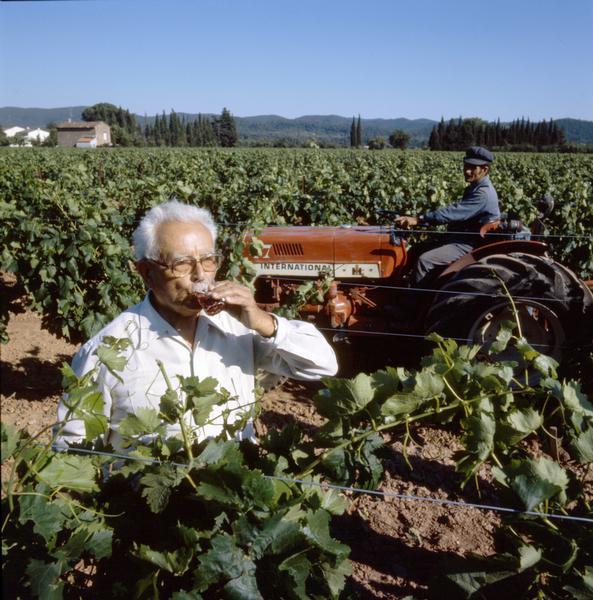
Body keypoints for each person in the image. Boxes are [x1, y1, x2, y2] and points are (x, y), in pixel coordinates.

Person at [56, 199, 338, 450]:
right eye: (181, 264)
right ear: (146, 272)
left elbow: (323, 365)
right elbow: (74, 451)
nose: (201, 274)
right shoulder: (107, 351)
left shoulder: (238, 329)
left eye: (208, 260)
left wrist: (264, 322)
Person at [395, 146, 500, 285]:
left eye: (473, 168)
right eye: (466, 166)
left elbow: (452, 213)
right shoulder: (476, 186)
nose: (467, 171)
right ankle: (396, 287)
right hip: (460, 236)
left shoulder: (483, 194)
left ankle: (415, 302)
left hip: (469, 243)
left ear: (485, 169)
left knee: (424, 260)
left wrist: (418, 219)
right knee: (416, 249)